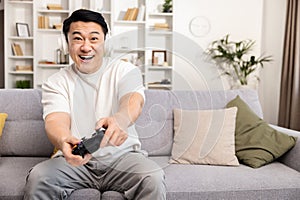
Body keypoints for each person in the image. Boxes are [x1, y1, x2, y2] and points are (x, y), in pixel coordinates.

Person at [23, 9, 166, 200]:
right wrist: (63, 139)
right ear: (67, 44)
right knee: (39, 177)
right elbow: (55, 120)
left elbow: (133, 101)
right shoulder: (56, 81)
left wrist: (119, 120)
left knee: (152, 178)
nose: (86, 47)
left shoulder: (125, 70)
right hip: (74, 162)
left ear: (105, 42)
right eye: (78, 39)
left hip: (123, 159)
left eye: (94, 38)